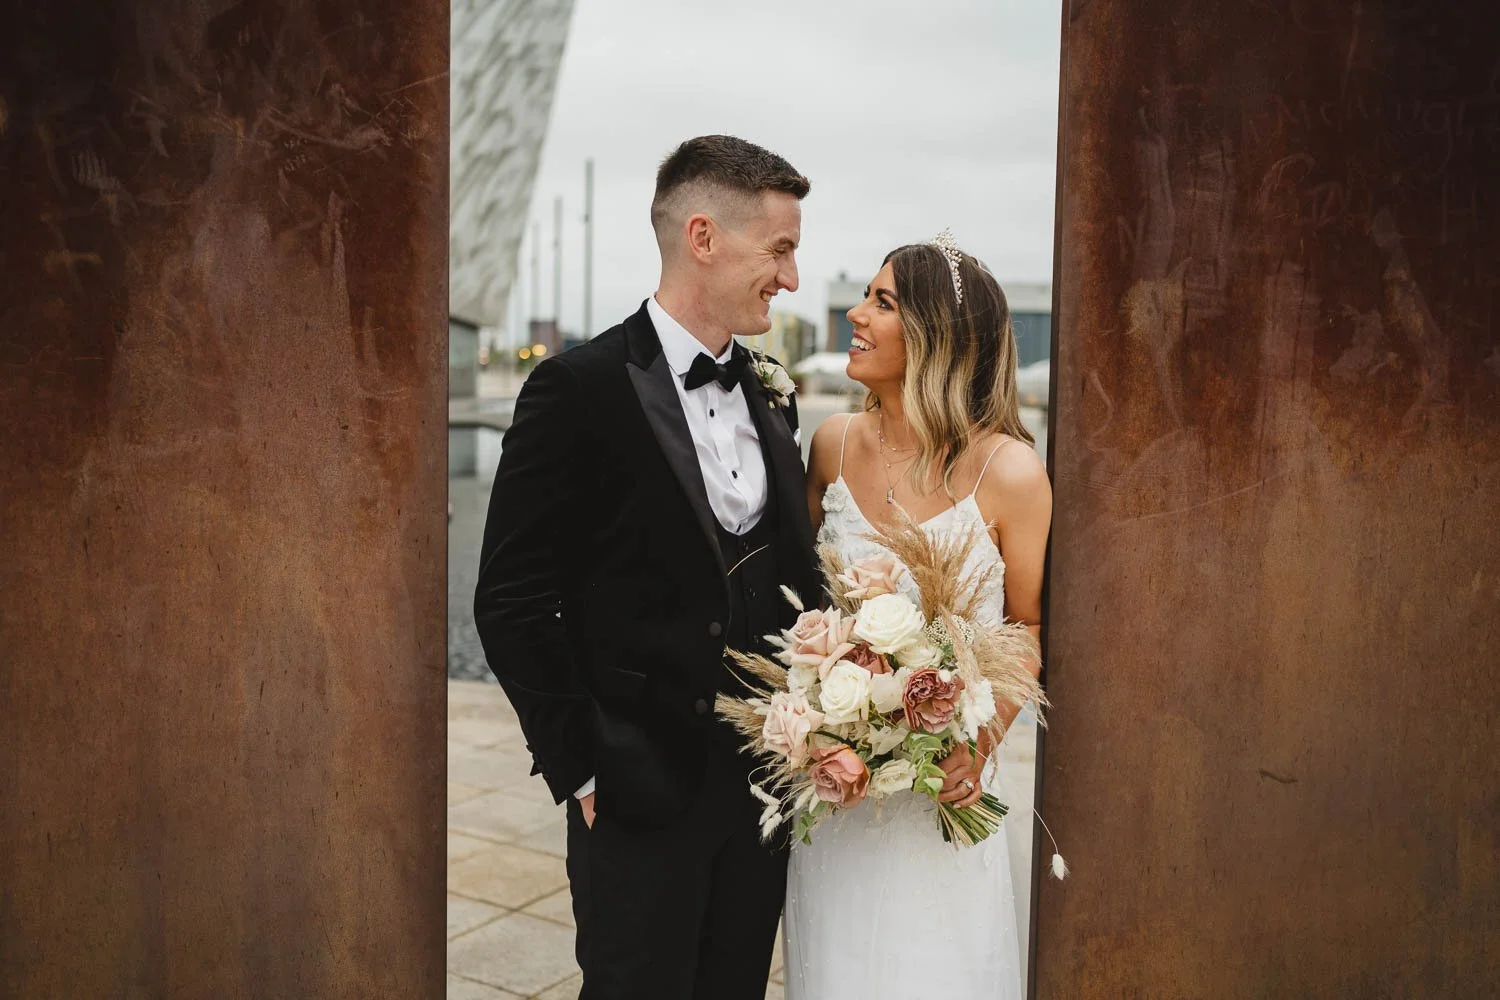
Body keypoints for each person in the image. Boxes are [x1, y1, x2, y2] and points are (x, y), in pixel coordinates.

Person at [473, 135, 821, 1000]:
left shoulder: (772, 393)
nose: (791, 278)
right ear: (703, 236)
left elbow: (787, 575)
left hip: (761, 797)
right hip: (634, 790)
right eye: (779, 249)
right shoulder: (575, 389)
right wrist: (582, 766)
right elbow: (511, 601)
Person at [782, 235, 1053, 999]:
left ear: (936, 335)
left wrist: (980, 739)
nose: (854, 314)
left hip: (944, 799)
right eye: (865, 296)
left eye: (882, 302)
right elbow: (804, 604)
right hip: (840, 798)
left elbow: (1027, 629)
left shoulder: (1011, 473)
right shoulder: (832, 446)